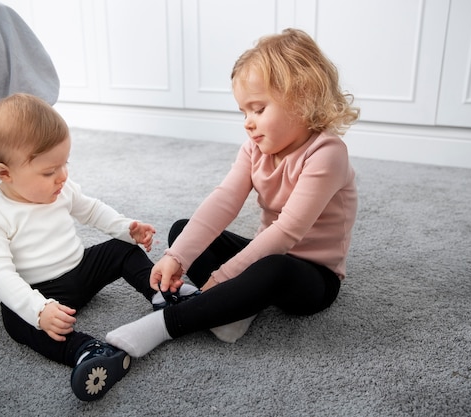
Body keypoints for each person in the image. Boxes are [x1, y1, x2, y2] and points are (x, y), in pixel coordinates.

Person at [106, 28, 360, 357]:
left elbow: (286, 232)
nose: (247, 123)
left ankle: (169, 323)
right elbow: (224, 201)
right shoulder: (254, 149)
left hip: (313, 276)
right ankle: (234, 310)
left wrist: (222, 277)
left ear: (303, 98)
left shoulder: (327, 153)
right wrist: (176, 256)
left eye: (258, 109)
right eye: (243, 112)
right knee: (183, 230)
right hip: (264, 253)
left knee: (274, 268)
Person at [0, 93, 197, 401]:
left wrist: (125, 227)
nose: (62, 177)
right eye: (49, 171)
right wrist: (39, 310)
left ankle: (161, 292)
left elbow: (90, 210)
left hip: (80, 268)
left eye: (64, 164)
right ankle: (86, 351)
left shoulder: (61, 188)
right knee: (15, 319)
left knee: (121, 249)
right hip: (44, 294)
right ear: (5, 173)